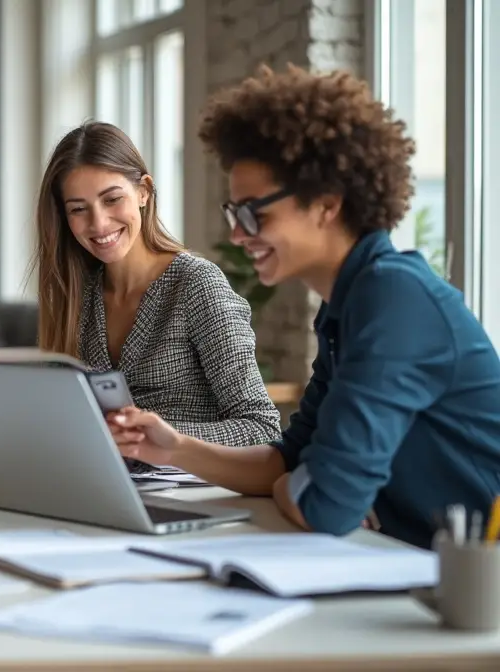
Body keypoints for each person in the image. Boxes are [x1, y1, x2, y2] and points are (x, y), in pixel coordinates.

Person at [110, 65, 500, 549]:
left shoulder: (396, 301)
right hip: (414, 562)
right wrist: (172, 449)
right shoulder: (346, 305)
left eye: (255, 212)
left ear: (326, 203)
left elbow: (325, 506)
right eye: (235, 213)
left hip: (480, 584)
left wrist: (295, 483)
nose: (237, 234)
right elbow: (289, 460)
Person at [33, 121, 281, 452]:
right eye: (79, 209)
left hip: (192, 493)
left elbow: (262, 427)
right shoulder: (75, 296)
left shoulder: (196, 284)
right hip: (101, 487)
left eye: (112, 199)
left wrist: (155, 438)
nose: (98, 223)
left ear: (144, 192)